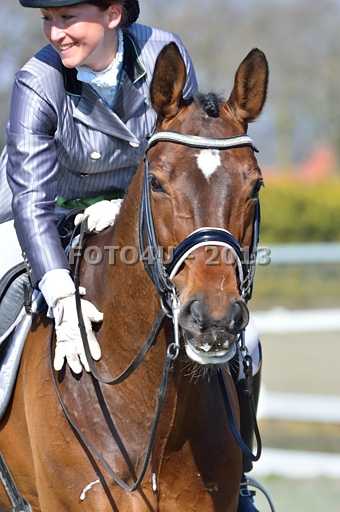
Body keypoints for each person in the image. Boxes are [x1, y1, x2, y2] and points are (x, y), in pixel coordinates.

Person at [0, 1, 263, 509]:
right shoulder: (39, 81)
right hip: (37, 214)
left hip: (135, 212)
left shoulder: (163, 54)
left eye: (68, 17)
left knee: (246, 337)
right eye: (49, 19)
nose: (56, 32)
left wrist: (121, 207)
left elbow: (179, 149)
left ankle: (239, 476)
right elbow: (31, 197)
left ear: (114, 14)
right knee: (4, 299)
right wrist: (56, 288)